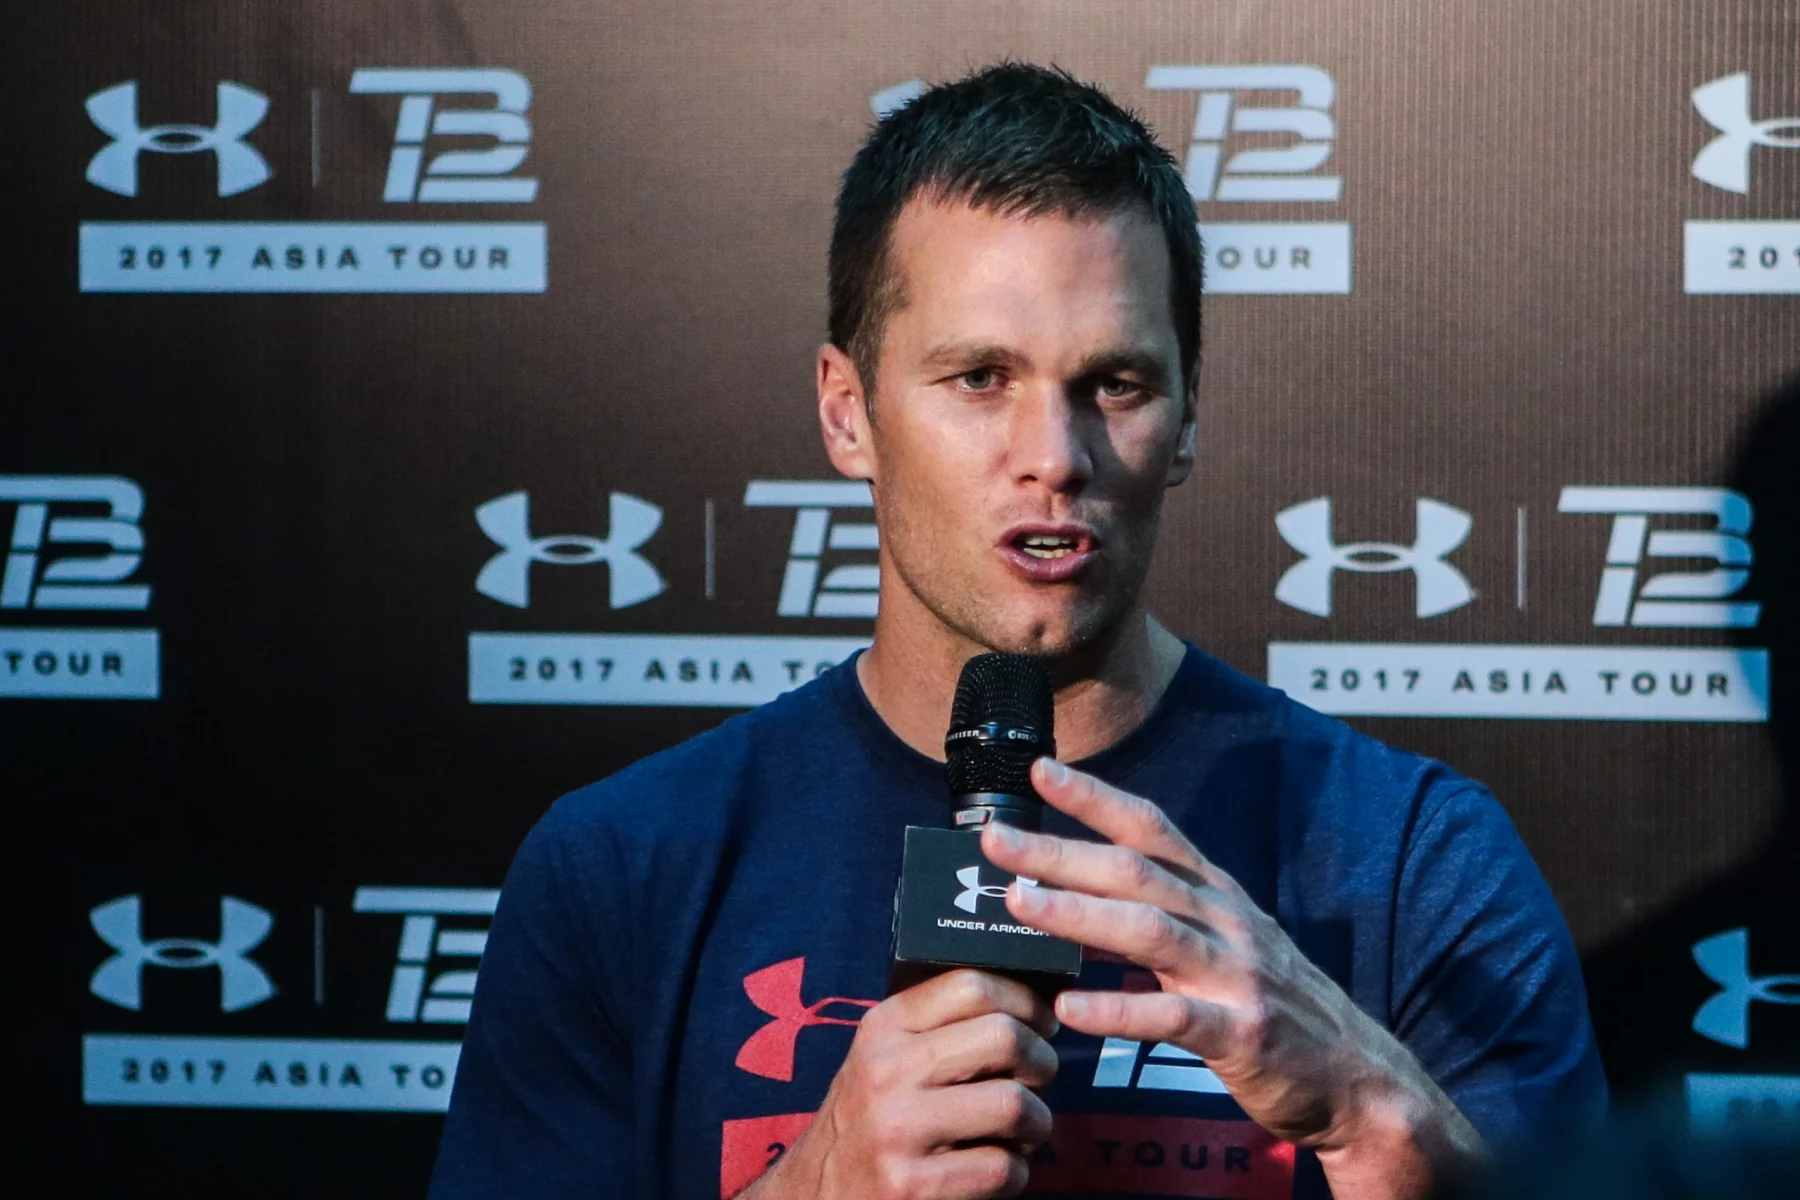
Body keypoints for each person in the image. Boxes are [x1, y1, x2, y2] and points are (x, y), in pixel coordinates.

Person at [429, 63, 1606, 1200]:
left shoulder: (1411, 861)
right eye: (982, 376)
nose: (1055, 453)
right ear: (849, 412)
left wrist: (1366, 1112)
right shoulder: (623, 868)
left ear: (1187, 417)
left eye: (1117, 383)